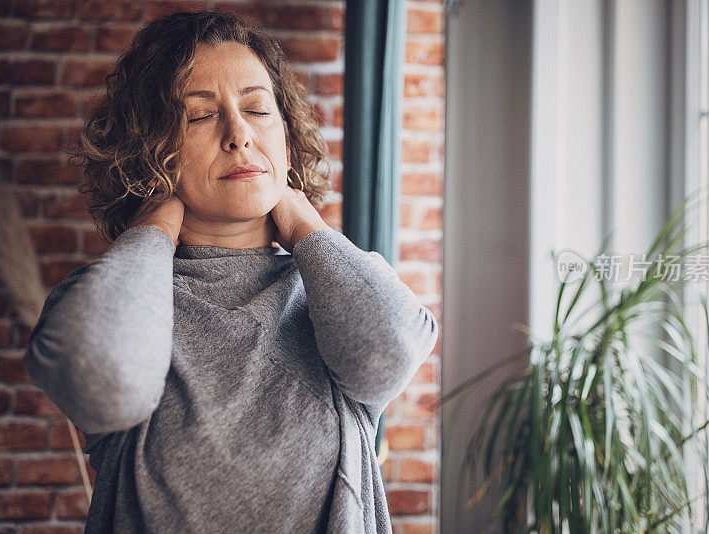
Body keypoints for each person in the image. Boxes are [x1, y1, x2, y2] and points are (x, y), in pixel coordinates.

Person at [24, 10, 438, 534]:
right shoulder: (106, 297)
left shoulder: (333, 290)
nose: (240, 134)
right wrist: (156, 223)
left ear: (285, 137)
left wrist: (299, 216)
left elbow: (388, 353)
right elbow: (102, 379)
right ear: (152, 151)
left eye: (259, 110)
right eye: (199, 116)